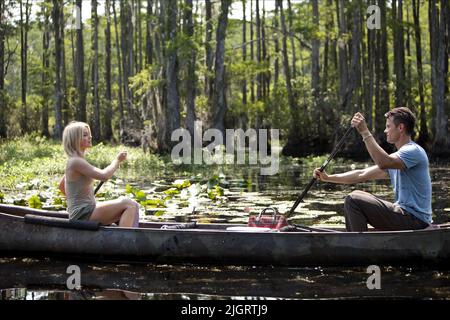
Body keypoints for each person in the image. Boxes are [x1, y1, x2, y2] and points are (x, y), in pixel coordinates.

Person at [313, 107, 432, 232]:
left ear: (400, 128)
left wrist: (365, 132)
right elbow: (361, 174)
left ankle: (359, 246)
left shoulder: (413, 151)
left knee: (353, 200)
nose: (385, 131)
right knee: (356, 196)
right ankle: (359, 240)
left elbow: (383, 162)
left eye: (388, 126)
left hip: (415, 220)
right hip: (406, 217)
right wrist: (328, 177)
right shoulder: (397, 160)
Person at [59, 121, 139, 228]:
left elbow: (62, 186)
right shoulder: (76, 161)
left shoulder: (75, 161)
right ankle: (124, 240)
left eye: (89, 134)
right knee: (130, 205)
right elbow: (104, 176)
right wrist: (117, 160)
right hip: (82, 215)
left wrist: (80, 199)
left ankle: (129, 235)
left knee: (133, 206)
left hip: (85, 211)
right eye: (85, 135)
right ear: (75, 139)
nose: (90, 137)